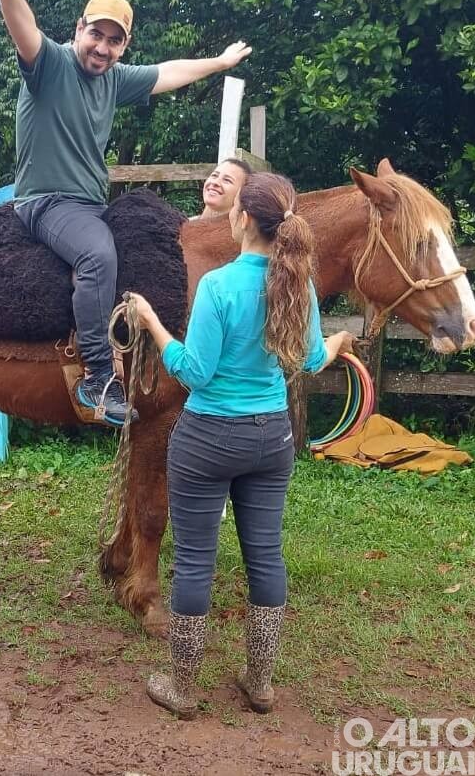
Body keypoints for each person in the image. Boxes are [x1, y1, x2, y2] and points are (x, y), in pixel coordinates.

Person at [0, 0, 253, 426]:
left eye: (114, 40)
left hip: (87, 206)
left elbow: (168, 72)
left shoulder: (114, 78)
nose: (102, 47)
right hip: (46, 202)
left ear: (124, 45)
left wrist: (220, 64)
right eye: (95, 35)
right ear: (79, 29)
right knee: (97, 255)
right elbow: (26, 34)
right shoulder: (53, 64)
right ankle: (98, 380)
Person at [128, 171, 354, 720]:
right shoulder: (297, 284)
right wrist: (338, 341)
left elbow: (195, 372)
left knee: (196, 561)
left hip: (208, 439)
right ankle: (259, 683)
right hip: (272, 438)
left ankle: (182, 687)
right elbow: (305, 361)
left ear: (244, 219)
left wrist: (153, 323)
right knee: (266, 557)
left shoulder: (219, 286)